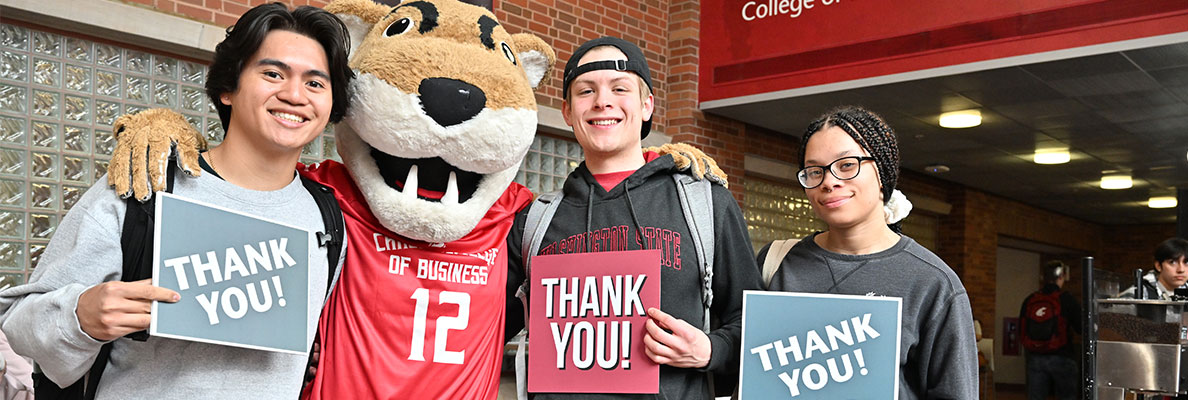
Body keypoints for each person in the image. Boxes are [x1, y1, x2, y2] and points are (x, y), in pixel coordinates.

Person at [0, 3, 352, 398]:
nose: (293, 95)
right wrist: (80, 315)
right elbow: (18, 320)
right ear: (228, 88)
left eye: (315, 83)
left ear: (331, 105)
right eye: (272, 74)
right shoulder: (145, 185)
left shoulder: (328, 218)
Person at [505, 36, 764, 399]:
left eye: (619, 87)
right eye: (586, 91)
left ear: (646, 106)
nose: (602, 101)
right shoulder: (535, 221)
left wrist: (710, 350)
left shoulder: (704, 205)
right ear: (567, 112)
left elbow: (757, 328)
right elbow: (484, 328)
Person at [756, 106, 978, 399]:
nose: (829, 181)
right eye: (815, 171)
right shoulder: (776, 263)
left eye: (847, 165)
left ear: (882, 173)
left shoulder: (932, 283)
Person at [1018, 261, 1080, 400]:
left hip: (1035, 357)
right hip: (1063, 357)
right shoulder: (1066, 299)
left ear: (1043, 277)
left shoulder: (1030, 300)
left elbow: (1022, 329)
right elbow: (1081, 328)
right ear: (1062, 276)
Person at [1119, 237, 1188, 300]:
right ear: (1158, 266)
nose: (1181, 270)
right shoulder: (1137, 294)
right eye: (1172, 262)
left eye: (1187, 263)